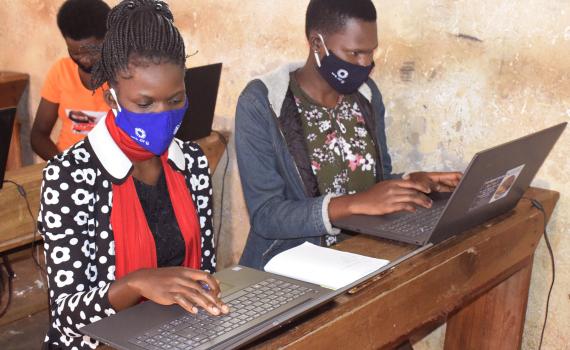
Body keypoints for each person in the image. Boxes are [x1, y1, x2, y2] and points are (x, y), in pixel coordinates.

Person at [37, 1, 228, 349]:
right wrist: (135, 284)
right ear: (111, 97)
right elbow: (66, 313)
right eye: (144, 103)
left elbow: (204, 271)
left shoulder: (193, 163)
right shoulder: (70, 176)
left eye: (175, 99)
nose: (163, 115)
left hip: (178, 337)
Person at [235, 0, 462, 270]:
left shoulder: (366, 95)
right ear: (317, 44)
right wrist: (353, 204)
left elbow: (374, 182)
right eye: (355, 53)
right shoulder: (263, 103)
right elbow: (266, 215)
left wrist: (410, 184)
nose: (367, 64)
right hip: (288, 268)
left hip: (362, 255)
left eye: (371, 52)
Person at [31, 0, 111, 161]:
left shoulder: (127, 76)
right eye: (75, 53)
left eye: (92, 52)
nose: (85, 60)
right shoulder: (61, 71)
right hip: (67, 164)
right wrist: (65, 165)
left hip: (114, 169)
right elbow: (38, 135)